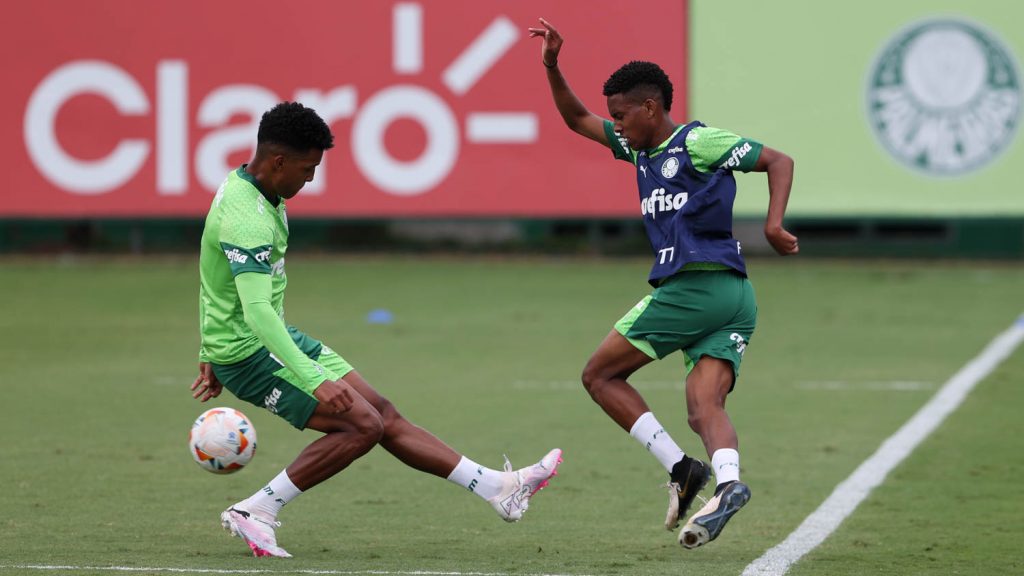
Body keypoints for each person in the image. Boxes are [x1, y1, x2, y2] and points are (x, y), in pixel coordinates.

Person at [191, 101, 562, 558]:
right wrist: (313, 379)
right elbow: (255, 313)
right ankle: (256, 511)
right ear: (277, 161)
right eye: (307, 169)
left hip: (261, 340)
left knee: (381, 412)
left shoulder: (256, 190)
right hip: (251, 351)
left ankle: (498, 488)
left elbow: (214, 273)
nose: (310, 179)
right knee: (362, 426)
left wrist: (208, 347)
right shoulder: (246, 214)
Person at [529, 19, 798, 549]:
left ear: (650, 107)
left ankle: (680, 468)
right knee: (703, 407)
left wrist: (773, 223)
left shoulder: (695, 142)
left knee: (599, 376)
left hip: (694, 289)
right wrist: (553, 66)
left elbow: (777, 160)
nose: (617, 125)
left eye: (622, 115)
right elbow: (577, 119)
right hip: (734, 300)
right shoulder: (639, 151)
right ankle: (728, 484)